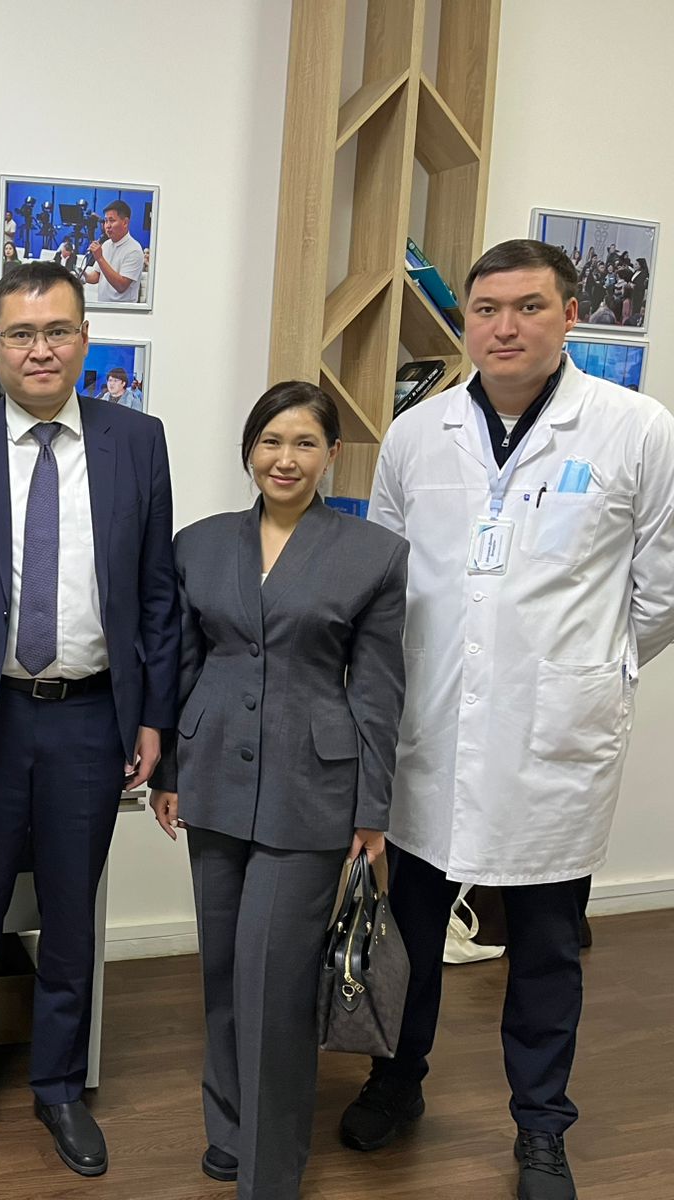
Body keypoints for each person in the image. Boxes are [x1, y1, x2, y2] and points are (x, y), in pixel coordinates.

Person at [339, 239, 674, 1200]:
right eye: (486, 310)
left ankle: (541, 1129)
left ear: (570, 314)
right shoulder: (419, 434)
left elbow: (660, 586)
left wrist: (587, 668)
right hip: (431, 728)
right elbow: (387, 580)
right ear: (467, 322)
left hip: (551, 736)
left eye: (529, 307)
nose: (505, 327)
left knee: (546, 948)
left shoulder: (635, 429)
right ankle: (396, 1081)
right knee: (410, 934)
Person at [0, 260, 179, 1180]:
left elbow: (155, 595)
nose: (41, 349)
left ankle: (60, 1087)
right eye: (21, 334)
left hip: (92, 720)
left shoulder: (138, 442)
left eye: (58, 331)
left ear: (85, 339)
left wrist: (154, 718)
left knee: (69, 920)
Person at [148, 381, 409, 1199]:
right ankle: (228, 1132)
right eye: (270, 441)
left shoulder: (373, 553)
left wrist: (373, 810)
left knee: (274, 981)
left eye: (304, 443)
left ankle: (270, 1172)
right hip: (212, 775)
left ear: (333, 454)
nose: (285, 458)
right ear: (248, 451)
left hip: (313, 789)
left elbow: (378, 692)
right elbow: (182, 665)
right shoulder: (198, 544)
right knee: (224, 970)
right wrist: (168, 773)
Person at [83, 198, 147, 303]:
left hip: (122, 309)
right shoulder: (106, 245)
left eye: (112, 220)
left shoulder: (134, 250)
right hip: (102, 305)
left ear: (125, 222)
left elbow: (121, 286)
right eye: (106, 221)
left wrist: (100, 258)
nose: (107, 226)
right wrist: (83, 276)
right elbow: (97, 276)